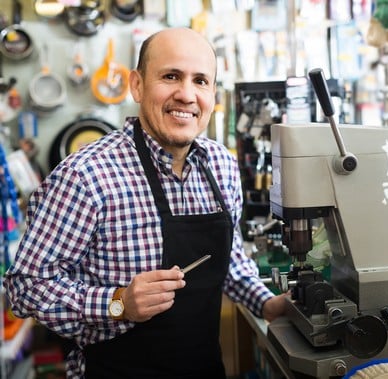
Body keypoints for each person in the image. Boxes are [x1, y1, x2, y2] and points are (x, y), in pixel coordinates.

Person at [4, 27, 287, 379]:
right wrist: (118, 302)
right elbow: (26, 287)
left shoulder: (223, 166)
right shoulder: (85, 176)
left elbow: (226, 259)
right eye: (171, 76)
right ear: (137, 85)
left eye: (200, 81)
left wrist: (267, 302)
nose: (186, 94)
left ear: (213, 95)